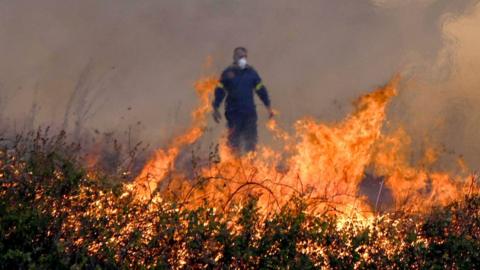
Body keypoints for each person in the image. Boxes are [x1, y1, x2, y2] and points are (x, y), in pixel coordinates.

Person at [212, 47, 274, 155]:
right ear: (234, 57)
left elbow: (261, 91)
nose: (243, 59)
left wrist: (268, 107)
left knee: (251, 142)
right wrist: (216, 107)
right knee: (234, 143)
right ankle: (234, 167)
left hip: (249, 113)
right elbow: (220, 91)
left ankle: (250, 167)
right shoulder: (228, 73)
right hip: (234, 113)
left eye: (245, 57)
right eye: (240, 57)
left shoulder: (251, 73)